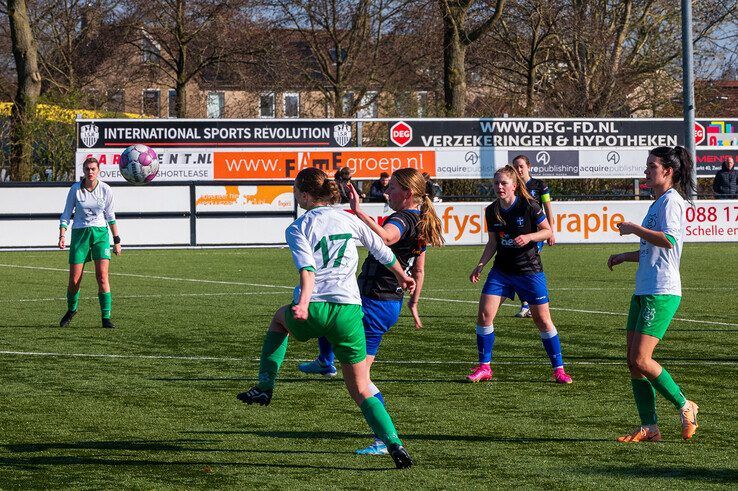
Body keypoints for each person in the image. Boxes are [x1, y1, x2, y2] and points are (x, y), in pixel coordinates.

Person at [236, 167, 415, 469]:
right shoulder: (348, 218)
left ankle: (265, 388)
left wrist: (304, 303)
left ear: (305, 195)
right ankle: (394, 443)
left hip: (316, 307)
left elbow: (307, 270)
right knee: (361, 387)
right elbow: (383, 251)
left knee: (279, 321)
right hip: (348, 312)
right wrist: (403, 275)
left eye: (296, 190)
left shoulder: (297, 227)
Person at [298, 168, 445, 455]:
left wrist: (358, 213)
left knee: (360, 381)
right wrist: (414, 302)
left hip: (377, 299)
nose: (386, 193)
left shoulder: (402, 218)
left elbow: (387, 239)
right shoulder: (422, 220)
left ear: (408, 194)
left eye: (392, 189)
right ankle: (325, 360)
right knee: (335, 313)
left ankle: (385, 439)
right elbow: (420, 268)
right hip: (389, 301)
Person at [607, 146, 699, 442]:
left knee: (642, 359)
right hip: (644, 288)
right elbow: (652, 248)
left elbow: (669, 241)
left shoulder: (672, 202)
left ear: (668, 171)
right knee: (632, 361)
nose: (646, 171)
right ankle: (650, 426)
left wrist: (633, 228)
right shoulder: (656, 203)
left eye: (651, 166)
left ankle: (686, 405)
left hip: (662, 290)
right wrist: (626, 255)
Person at [467, 165, 572, 384]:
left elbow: (548, 231)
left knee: (542, 320)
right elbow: (493, 242)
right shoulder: (491, 210)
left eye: (503, 183)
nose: (499, 187)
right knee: (485, 315)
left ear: (514, 185)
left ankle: (559, 369)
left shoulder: (529, 206)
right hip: (502, 270)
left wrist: (530, 237)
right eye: (496, 183)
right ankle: (485, 367)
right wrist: (480, 264)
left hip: (529, 271)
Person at [58, 157, 121, 328]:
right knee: (75, 279)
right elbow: (66, 214)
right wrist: (62, 234)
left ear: (98, 170)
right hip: (80, 234)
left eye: (93, 169)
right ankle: (72, 310)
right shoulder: (75, 189)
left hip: (100, 234)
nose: (90, 172)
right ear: (83, 171)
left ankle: (106, 317)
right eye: (87, 169)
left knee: (102, 276)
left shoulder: (106, 190)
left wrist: (117, 240)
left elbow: (110, 216)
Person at [511, 155, 555, 318]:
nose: (518, 169)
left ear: (529, 166)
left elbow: (548, 208)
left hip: (536, 233)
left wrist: (551, 231)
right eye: (516, 166)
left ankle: (531, 303)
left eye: (521, 166)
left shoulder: (539, 185)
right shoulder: (513, 186)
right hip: (517, 232)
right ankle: (526, 303)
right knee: (519, 266)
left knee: (528, 264)